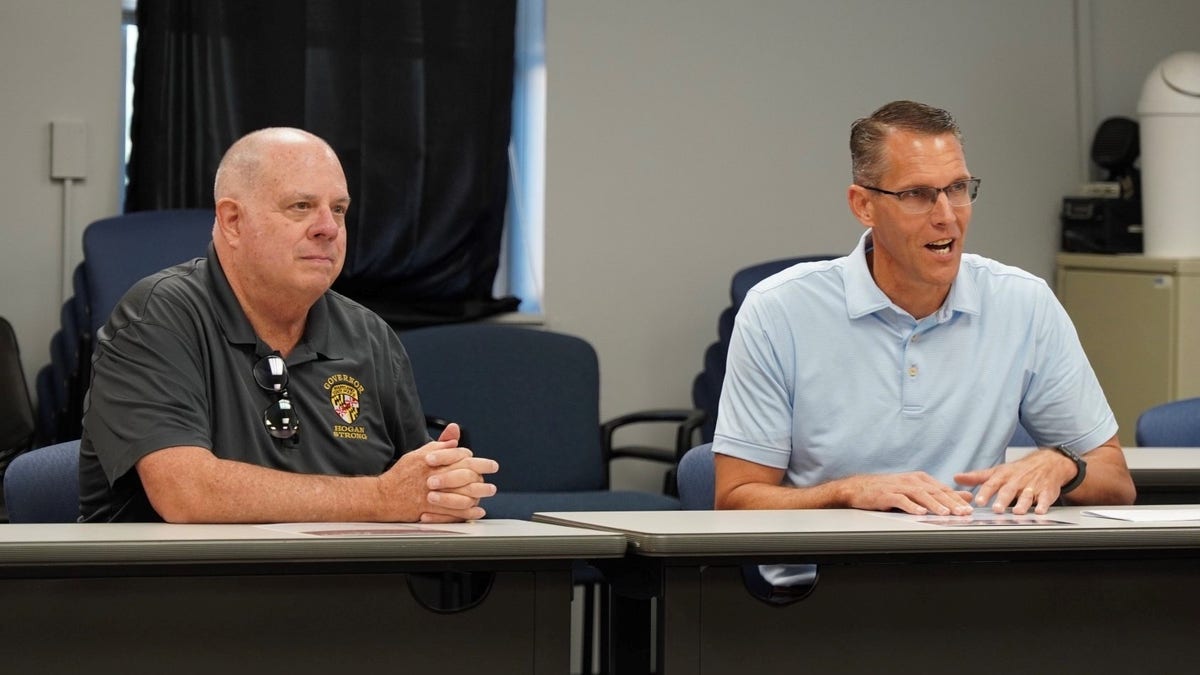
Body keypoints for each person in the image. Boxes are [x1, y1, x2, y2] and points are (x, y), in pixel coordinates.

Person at [712, 101, 1135, 583]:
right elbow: (736, 500)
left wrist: (1065, 467)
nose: (947, 216)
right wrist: (847, 492)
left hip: (976, 585)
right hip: (823, 591)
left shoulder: (1024, 303)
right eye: (917, 194)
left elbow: (1115, 480)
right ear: (863, 205)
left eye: (957, 189)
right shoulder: (779, 310)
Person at [79, 127, 499, 523]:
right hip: (183, 591)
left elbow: (416, 488)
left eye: (338, 209)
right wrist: (383, 498)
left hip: (347, 590)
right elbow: (185, 493)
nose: (328, 228)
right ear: (232, 221)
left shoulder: (369, 335)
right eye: (301, 207)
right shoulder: (157, 315)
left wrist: (447, 487)